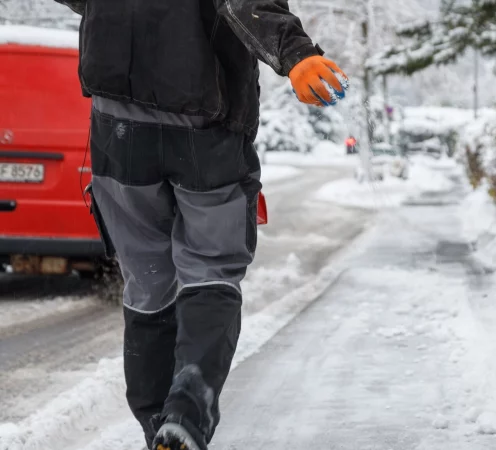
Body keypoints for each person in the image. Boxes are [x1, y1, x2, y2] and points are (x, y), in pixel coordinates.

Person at [53, 1, 348, 449]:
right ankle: (186, 416)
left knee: (147, 279)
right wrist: (295, 53)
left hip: (117, 127)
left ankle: (156, 424)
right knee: (211, 267)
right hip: (203, 123)